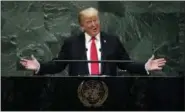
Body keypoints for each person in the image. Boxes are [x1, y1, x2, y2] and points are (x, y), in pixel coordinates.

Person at [20, 7, 166, 76]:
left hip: (108, 92)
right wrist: (39, 67)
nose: (94, 25)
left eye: (95, 20)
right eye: (89, 22)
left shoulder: (112, 41)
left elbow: (126, 63)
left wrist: (145, 67)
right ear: (82, 26)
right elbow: (58, 65)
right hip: (79, 93)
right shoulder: (72, 43)